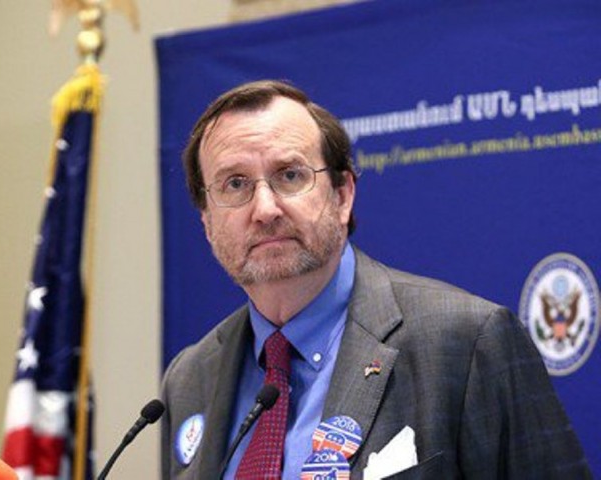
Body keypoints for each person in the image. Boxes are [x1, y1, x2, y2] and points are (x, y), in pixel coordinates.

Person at [161, 80, 590, 479]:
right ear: (207, 222)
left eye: (290, 175)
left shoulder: (467, 343)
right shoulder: (189, 378)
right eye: (235, 184)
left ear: (343, 195)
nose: (265, 209)